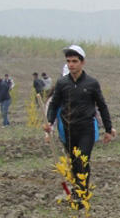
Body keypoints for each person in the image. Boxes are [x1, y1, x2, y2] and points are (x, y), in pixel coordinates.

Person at [44, 45, 114, 201]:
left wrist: (108, 129)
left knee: (82, 159)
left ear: (83, 63)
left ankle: (82, 195)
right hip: (68, 130)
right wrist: (49, 122)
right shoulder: (62, 83)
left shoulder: (91, 84)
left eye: (74, 61)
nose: (71, 65)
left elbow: (101, 106)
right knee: (74, 163)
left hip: (86, 129)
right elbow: (54, 105)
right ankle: (77, 191)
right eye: (68, 61)